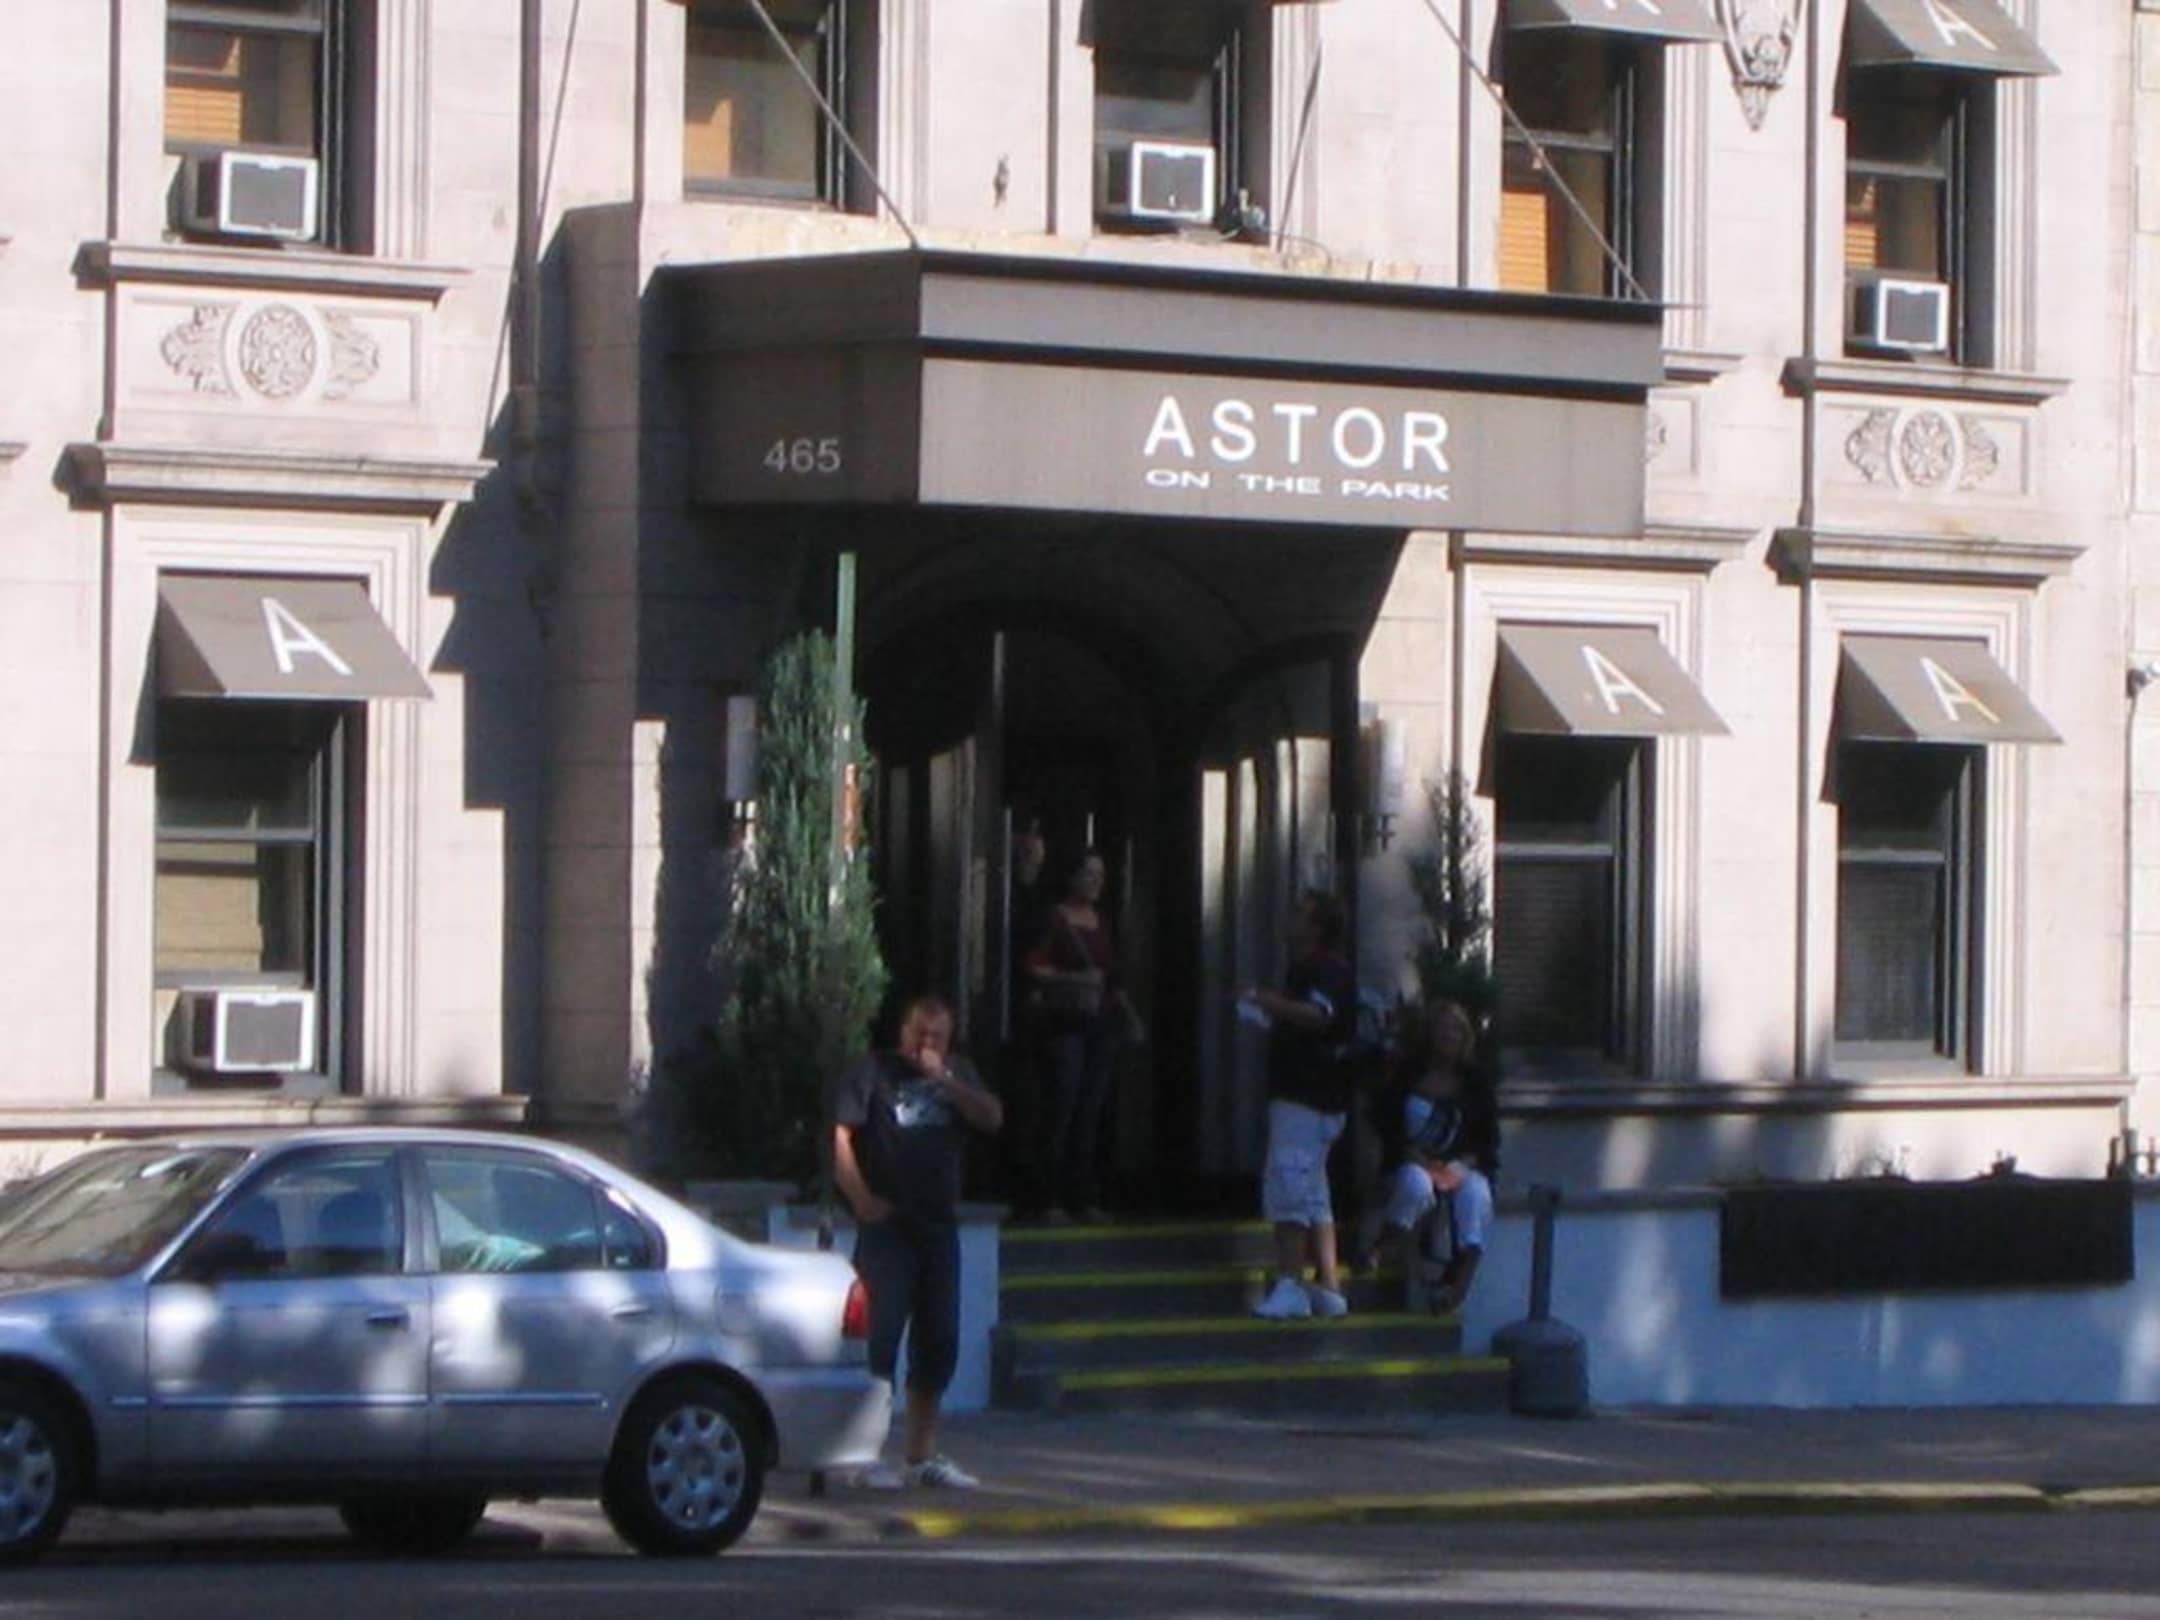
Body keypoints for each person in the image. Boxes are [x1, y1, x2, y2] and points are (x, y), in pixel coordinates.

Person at [831, 995, 1004, 1489]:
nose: (925, 1044)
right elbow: (841, 1135)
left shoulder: (958, 1074)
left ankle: (920, 1455)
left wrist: (945, 1080)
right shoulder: (874, 1072)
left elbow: (992, 1117)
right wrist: (860, 1198)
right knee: (879, 1340)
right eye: (918, 1034)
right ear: (902, 1032)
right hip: (888, 1227)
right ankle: (863, 1455)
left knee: (939, 1341)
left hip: (937, 1226)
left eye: (936, 1037)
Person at [1242, 890, 1357, 1320]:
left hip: (1305, 1096)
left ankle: (1290, 1282)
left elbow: (1318, 1015)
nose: (1291, 920)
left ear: (1317, 926)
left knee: (1288, 1182)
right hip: (1320, 1096)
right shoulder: (1315, 969)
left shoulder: (1323, 969)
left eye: (1300, 914)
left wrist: (1266, 1001)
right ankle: (1328, 1286)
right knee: (1314, 1192)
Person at [1354, 998, 1499, 1313]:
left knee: (1476, 1196)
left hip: (1461, 1164)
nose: (1448, 1036)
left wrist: (1460, 1167)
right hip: (1413, 1160)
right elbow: (1384, 1121)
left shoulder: (1475, 1082)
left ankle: (1457, 1287)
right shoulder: (1408, 1075)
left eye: (1456, 1030)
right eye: (1442, 1029)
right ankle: (1384, 1246)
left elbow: (1487, 1142)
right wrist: (1412, 1155)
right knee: (1416, 1185)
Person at [1022, 848, 1122, 1223]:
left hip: (1099, 1020)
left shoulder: (1103, 921)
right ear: (1072, 877)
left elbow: (1111, 974)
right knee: (1061, 1105)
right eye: (1089, 874)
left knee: (1091, 1110)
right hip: (1063, 1020)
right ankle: (1049, 1197)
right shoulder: (1055, 919)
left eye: (1101, 875)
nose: (1096, 882)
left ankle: (1085, 1195)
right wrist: (1076, 978)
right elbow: (1034, 966)